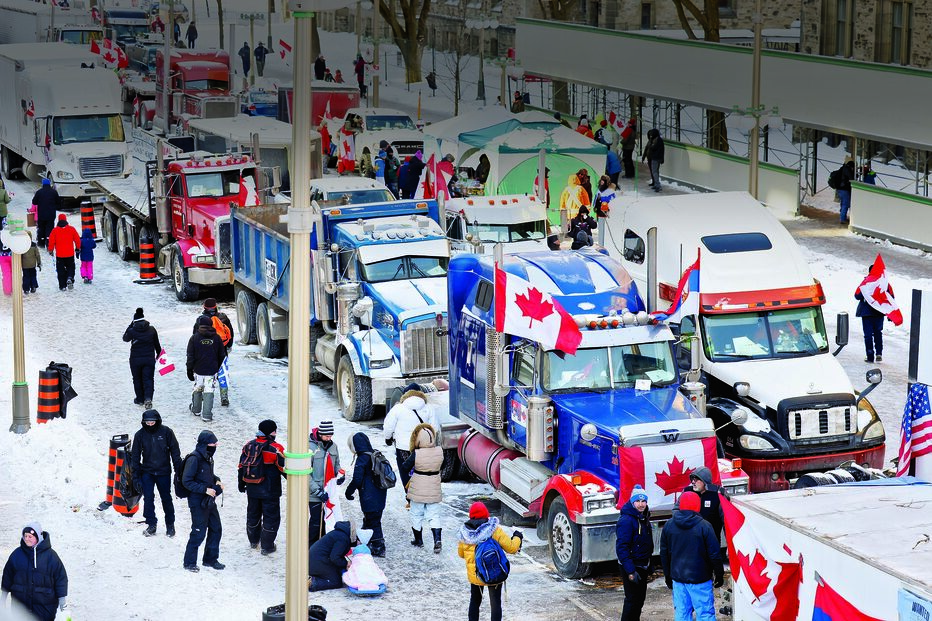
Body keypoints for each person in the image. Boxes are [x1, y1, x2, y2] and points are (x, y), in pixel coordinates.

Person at [659, 491, 723, 621]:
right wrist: (719, 574)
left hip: (678, 579)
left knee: (682, 613)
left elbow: (664, 554)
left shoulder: (669, 525)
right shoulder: (705, 526)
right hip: (700, 579)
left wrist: (668, 576)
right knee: (705, 613)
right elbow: (714, 554)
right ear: (697, 505)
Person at [458, 501, 523, 621]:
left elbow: (461, 554)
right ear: (486, 514)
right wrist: (518, 536)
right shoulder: (494, 530)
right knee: (495, 604)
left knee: (475, 602)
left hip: (475, 575)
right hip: (493, 572)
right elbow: (512, 548)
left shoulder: (465, 533)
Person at [1, 523, 68, 621]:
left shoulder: (51, 556)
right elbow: (7, 576)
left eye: (30, 536)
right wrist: (3, 597)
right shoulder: (16, 554)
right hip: (20, 609)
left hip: (44, 609)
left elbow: (60, 578)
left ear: (38, 537)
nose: (27, 539)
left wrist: (62, 599)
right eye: (25, 536)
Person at [131, 409, 182, 538]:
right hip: (147, 472)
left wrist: (179, 471)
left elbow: (175, 452)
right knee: (148, 498)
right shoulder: (139, 435)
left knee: (166, 498)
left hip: (163, 472)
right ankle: (151, 524)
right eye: (147, 422)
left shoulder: (167, 432)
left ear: (157, 421)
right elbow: (135, 457)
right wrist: (135, 476)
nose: (150, 424)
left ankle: (170, 524)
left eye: (152, 422)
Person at [238, 419, 285, 555]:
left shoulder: (248, 446)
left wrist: (241, 484)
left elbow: (241, 466)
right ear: (271, 432)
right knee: (271, 517)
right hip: (270, 490)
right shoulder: (276, 448)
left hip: (252, 488)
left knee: (253, 514)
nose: (275, 433)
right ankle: (267, 546)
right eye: (274, 431)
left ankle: (253, 541)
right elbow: (283, 467)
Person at [182, 430, 225, 572]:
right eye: (213, 444)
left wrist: (216, 480)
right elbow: (187, 481)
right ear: (205, 444)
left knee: (216, 528)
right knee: (198, 532)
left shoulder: (208, 457)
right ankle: (189, 563)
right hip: (197, 501)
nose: (215, 447)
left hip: (209, 500)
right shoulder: (194, 458)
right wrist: (205, 490)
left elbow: (207, 475)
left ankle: (210, 559)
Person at [384, 383, 439, 489]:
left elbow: (388, 426)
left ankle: (409, 494)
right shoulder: (429, 408)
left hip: (403, 448)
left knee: (405, 472)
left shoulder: (398, 408)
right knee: (422, 472)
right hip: (422, 448)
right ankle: (422, 492)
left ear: (405, 394)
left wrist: (388, 438)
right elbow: (435, 429)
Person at [401, 423, 444, 552]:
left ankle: (418, 540)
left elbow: (405, 468)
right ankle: (437, 540)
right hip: (434, 487)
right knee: (434, 515)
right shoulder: (439, 451)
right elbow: (443, 464)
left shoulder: (417, 453)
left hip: (418, 488)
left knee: (416, 514)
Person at [345, 432, 387, 557]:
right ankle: (365, 541)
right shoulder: (374, 454)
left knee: (373, 521)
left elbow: (357, 479)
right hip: (380, 494)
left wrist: (348, 492)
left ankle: (379, 546)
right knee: (372, 519)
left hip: (369, 496)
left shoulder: (362, 458)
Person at [616, 485, 653, 621]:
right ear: (632, 502)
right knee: (632, 600)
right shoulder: (626, 521)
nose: (641, 504)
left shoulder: (644, 517)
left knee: (639, 599)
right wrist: (630, 571)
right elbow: (622, 547)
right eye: (638, 501)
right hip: (631, 565)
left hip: (642, 564)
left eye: (643, 501)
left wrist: (649, 563)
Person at [186, 315, 226, 422]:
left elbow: (190, 356)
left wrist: (189, 369)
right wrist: (217, 367)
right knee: (209, 390)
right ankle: (207, 415)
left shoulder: (194, 338)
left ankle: (196, 409)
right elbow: (222, 355)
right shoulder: (217, 338)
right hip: (211, 370)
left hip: (198, 370)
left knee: (198, 388)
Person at [308, 420, 342, 547]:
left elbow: (337, 465)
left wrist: (340, 475)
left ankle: (323, 546)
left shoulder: (333, 446)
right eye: (327, 436)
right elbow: (306, 473)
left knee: (328, 520)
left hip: (329, 491)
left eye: (331, 436)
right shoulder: (310, 447)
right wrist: (317, 491)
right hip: (315, 492)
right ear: (320, 434)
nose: (329, 438)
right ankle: (311, 547)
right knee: (316, 522)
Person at [195, 298, 234, 406]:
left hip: (205, 353)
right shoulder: (223, 318)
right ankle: (224, 397)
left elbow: (195, 337)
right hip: (222, 352)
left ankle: (203, 395)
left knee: (205, 374)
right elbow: (230, 334)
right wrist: (228, 346)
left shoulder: (201, 320)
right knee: (222, 374)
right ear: (216, 307)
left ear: (204, 308)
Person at [123, 307, 161, 408]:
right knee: (148, 379)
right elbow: (157, 345)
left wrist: (130, 326)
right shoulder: (152, 329)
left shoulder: (132, 331)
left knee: (137, 379)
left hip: (135, 360)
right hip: (149, 359)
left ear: (134, 321)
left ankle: (139, 399)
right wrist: (159, 355)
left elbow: (125, 338)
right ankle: (148, 398)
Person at [308, 519, 356, 591]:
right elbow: (335, 557)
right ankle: (313, 583)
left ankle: (317, 577)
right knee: (336, 582)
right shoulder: (343, 539)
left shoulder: (339, 534)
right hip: (318, 562)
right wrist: (346, 563)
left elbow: (336, 555)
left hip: (314, 560)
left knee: (338, 572)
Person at [683, 466, 725, 545]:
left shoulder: (717, 496)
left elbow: (725, 523)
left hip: (711, 543)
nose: (693, 482)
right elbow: (676, 511)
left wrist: (730, 545)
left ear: (705, 481)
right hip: (691, 542)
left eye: (696, 479)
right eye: (692, 479)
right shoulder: (687, 492)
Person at [856, 265, 886, 363]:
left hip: (866, 313)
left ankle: (870, 356)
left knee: (868, 335)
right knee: (878, 333)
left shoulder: (866, 282)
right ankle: (879, 353)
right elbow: (890, 297)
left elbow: (857, 295)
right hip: (879, 312)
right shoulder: (884, 282)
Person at [47, 213, 80, 291]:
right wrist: (77, 248)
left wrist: (50, 250)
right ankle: (70, 277)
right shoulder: (71, 229)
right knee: (71, 267)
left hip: (60, 255)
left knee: (60, 270)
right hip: (70, 254)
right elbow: (77, 239)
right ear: (66, 220)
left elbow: (51, 241)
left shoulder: (55, 230)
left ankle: (62, 286)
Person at [32, 178, 60, 248]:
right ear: (49, 184)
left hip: (41, 214)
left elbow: (34, 202)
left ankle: (41, 242)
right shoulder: (54, 192)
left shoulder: (39, 192)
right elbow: (59, 203)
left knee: (41, 228)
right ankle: (49, 243)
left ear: (43, 184)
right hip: (51, 215)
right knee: (50, 229)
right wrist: (53, 206)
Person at [837, 159, 856, 224]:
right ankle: (842, 219)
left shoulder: (843, 168)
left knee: (843, 204)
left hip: (840, 189)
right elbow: (852, 179)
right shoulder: (847, 170)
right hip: (844, 189)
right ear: (851, 166)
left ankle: (843, 217)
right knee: (845, 204)